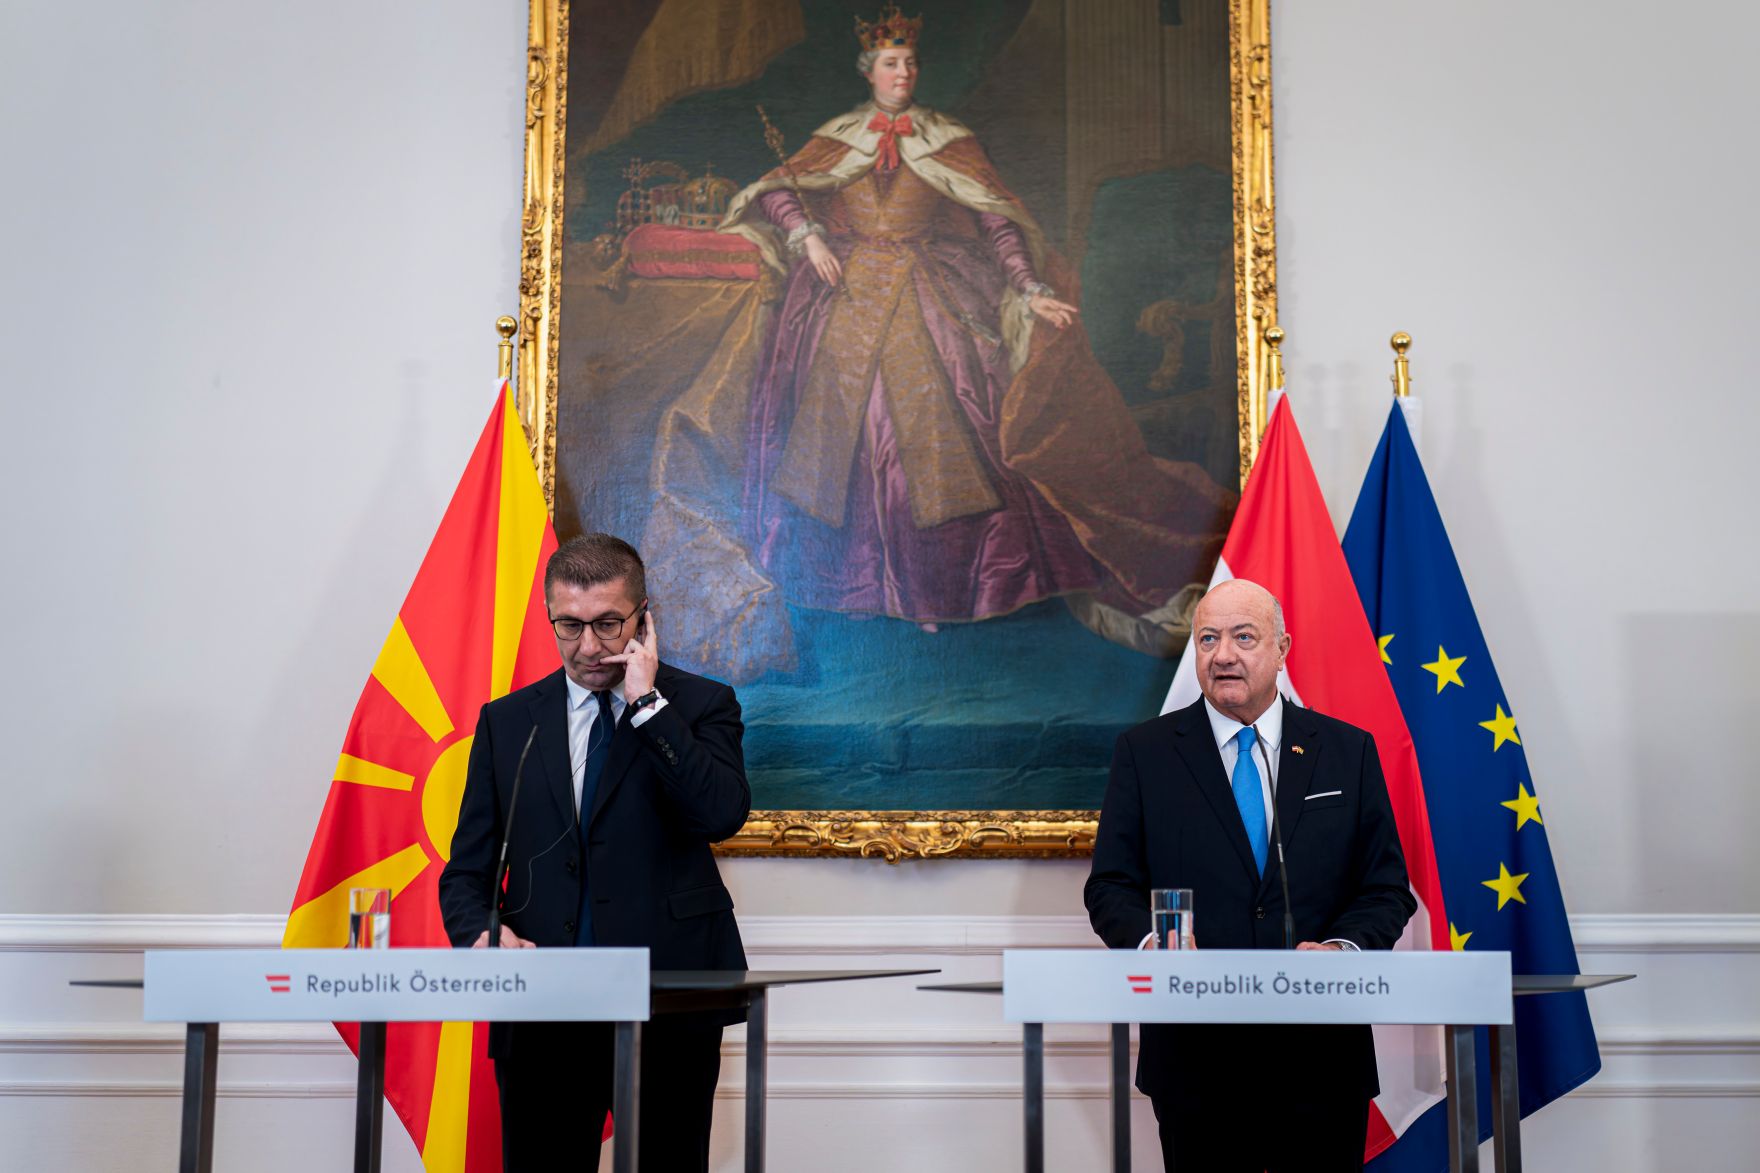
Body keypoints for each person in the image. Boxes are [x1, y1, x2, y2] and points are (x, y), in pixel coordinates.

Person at [718, 5, 1232, 633]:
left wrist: (1030, 286)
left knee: (939, 432)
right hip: (844, 300)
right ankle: (858, 585)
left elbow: (997, 220)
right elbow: (777, 190)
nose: (902, 72)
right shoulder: (839, 135)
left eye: (909, 63)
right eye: (890, 63)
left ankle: (938, 589)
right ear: (869, 72)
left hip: (929, 295)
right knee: (851, 436)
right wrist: (808, 238)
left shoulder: (947, 138)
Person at [438, 533, 750, 1173]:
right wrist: (481, 934)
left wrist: (646, 705)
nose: (588, 647)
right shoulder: (508, 723)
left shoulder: (698, 705)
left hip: (669, 998)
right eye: (570, 626)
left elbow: (721, 814)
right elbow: (467, 873)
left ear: (644, 618)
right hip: (545, 1007)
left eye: (609, 625)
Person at [1084, 579, 1417, 1172]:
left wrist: (1343, 946)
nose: (1223, 654)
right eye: (1208, 638)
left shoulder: (1346, 751)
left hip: (1321, 1056)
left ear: (1283, 648)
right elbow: (1110, 886)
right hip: (1195, 1058)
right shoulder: (1147, 752)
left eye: (1244, 636)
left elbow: (1384, 888)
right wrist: (1150, 940)